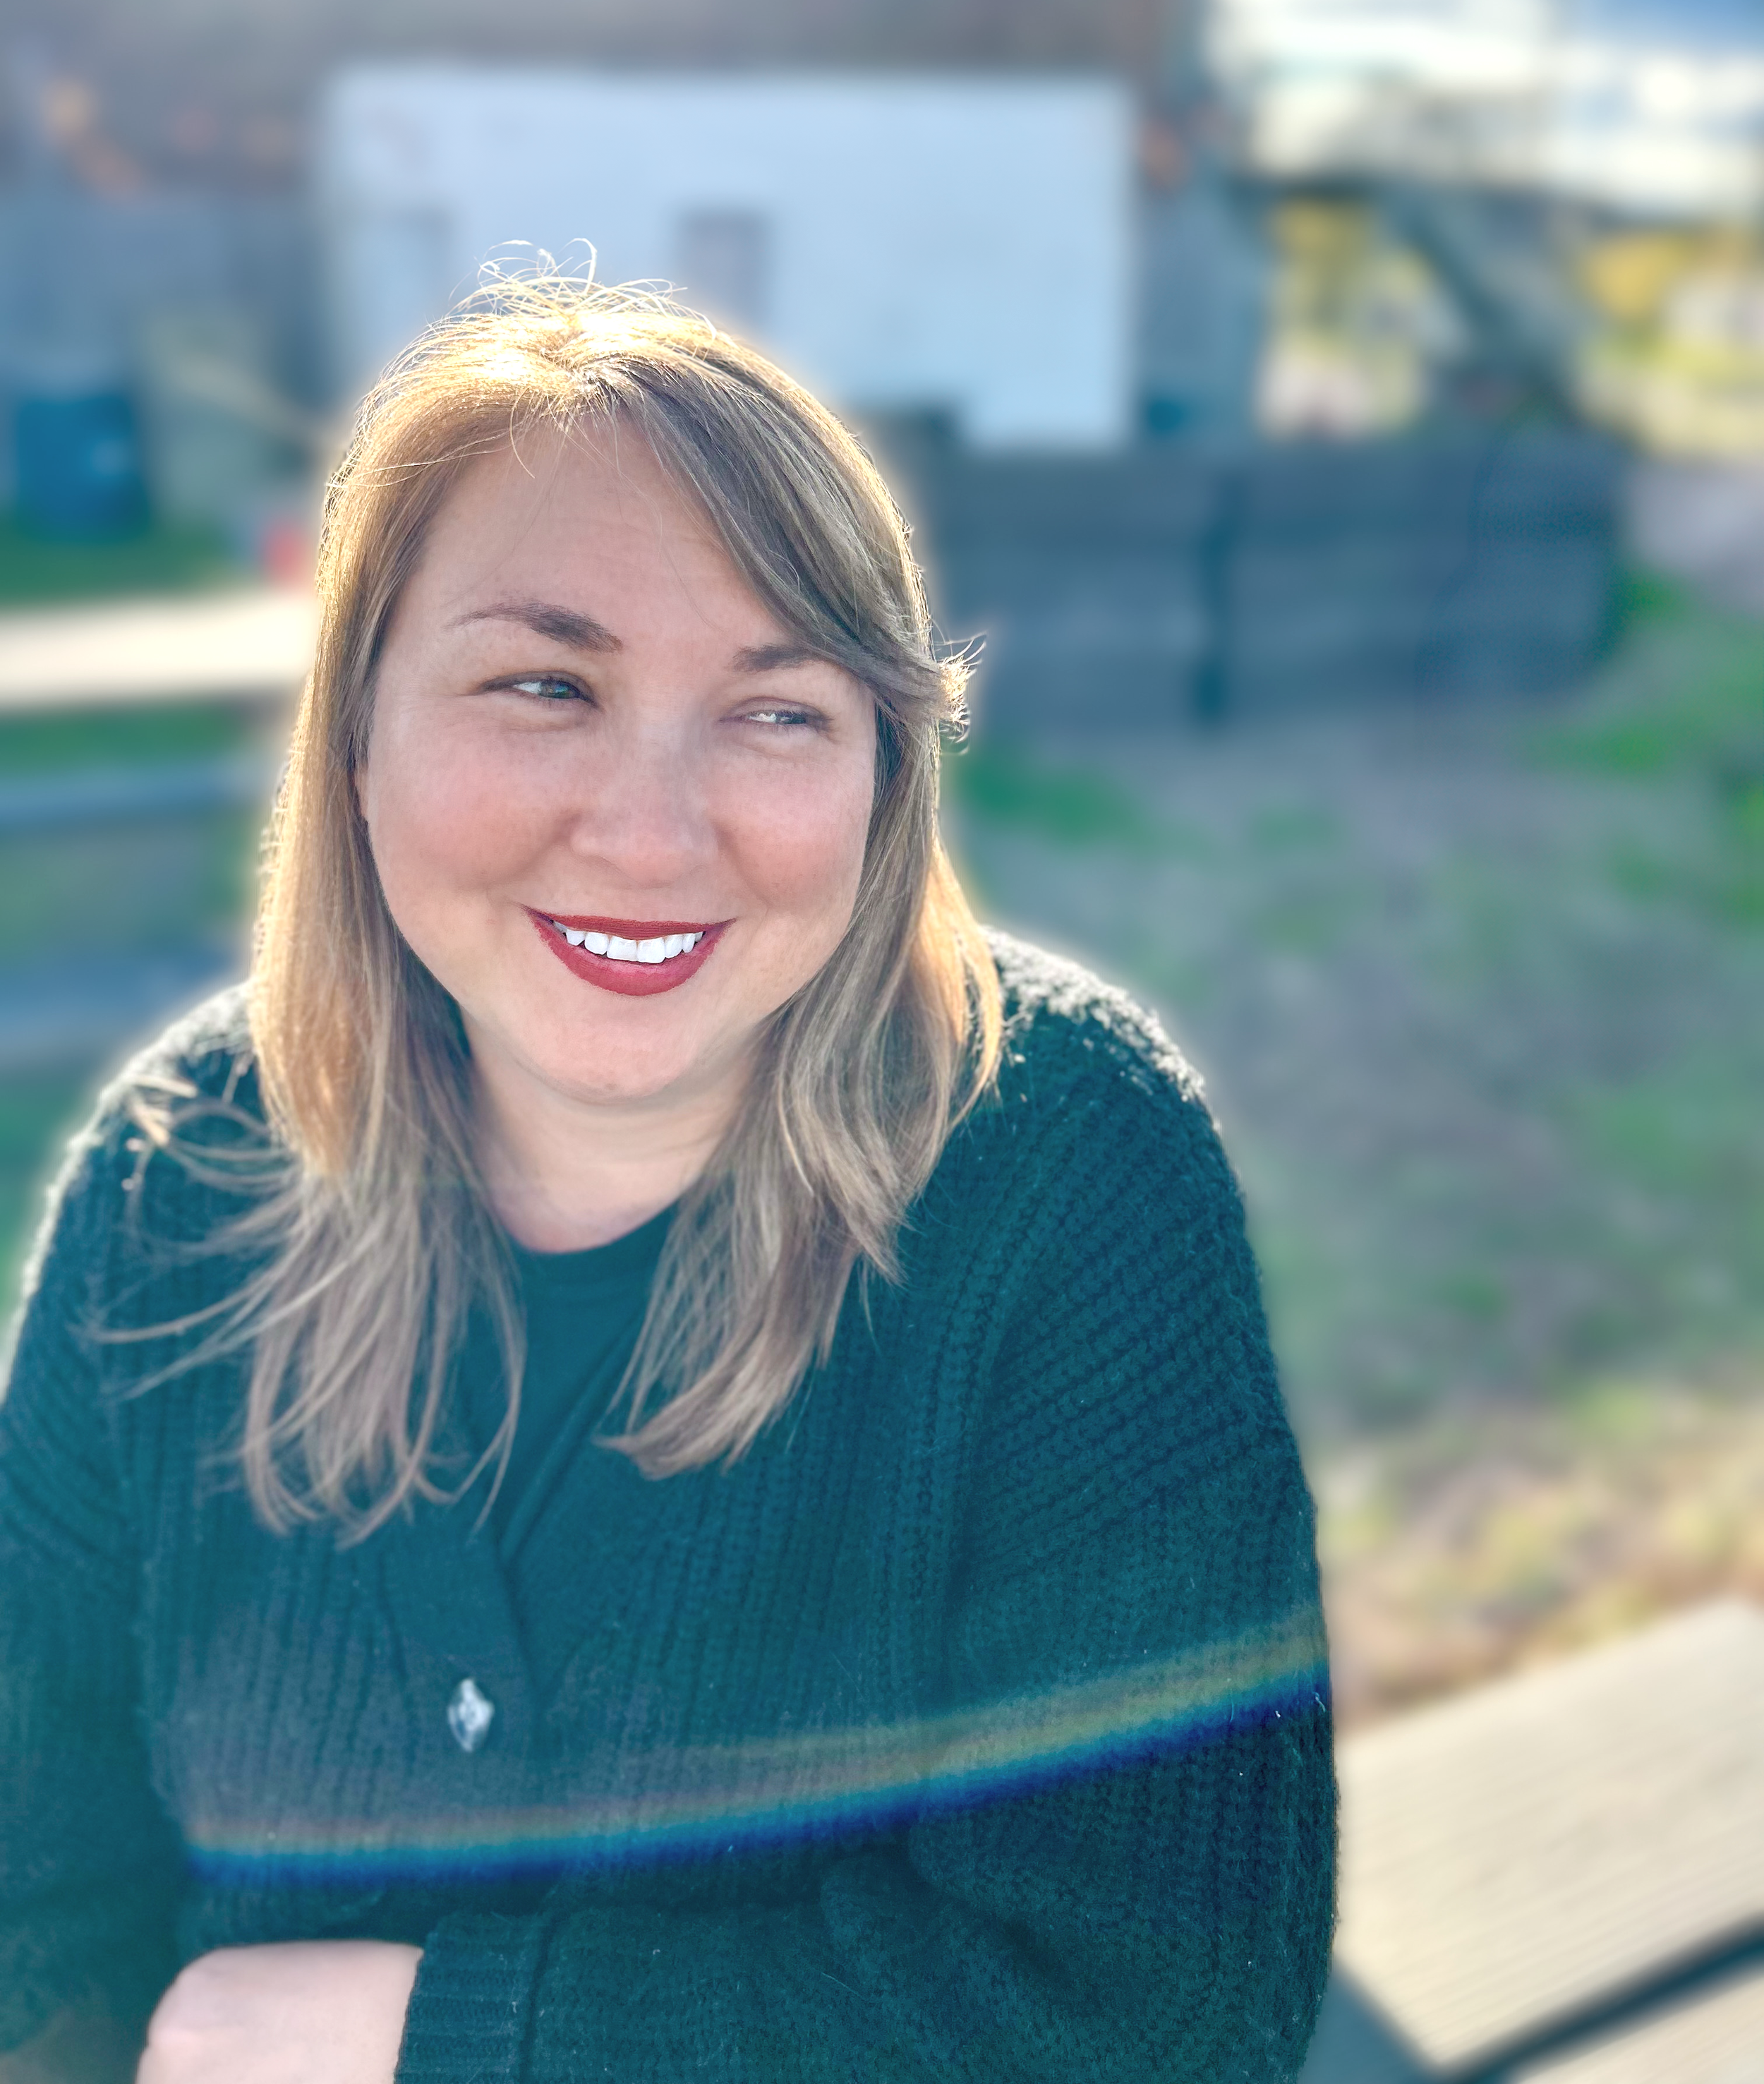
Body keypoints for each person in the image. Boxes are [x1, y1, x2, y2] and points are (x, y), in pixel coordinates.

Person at [0, 286, 1334, 2084]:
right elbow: (36, 1894)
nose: (648, 832)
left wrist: (446, 2032)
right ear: (358, 732)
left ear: (882, 778)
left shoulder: (1065, 1166)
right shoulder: (172, 1190)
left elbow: (1160, 2003)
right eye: (545, 686)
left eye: (775, 710)